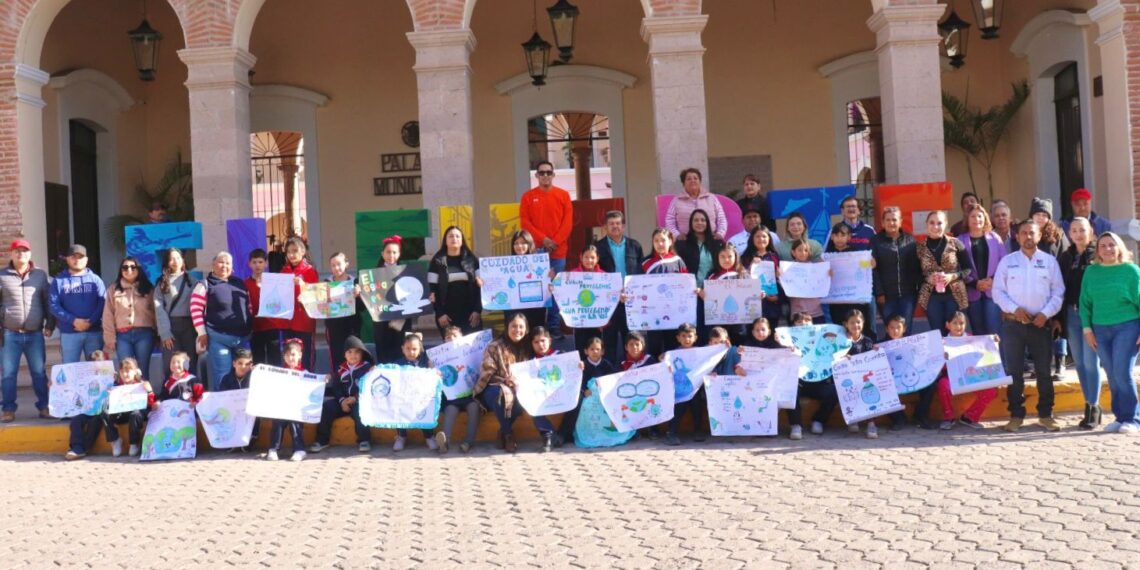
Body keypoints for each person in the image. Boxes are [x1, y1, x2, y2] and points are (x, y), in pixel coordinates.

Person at [992, 221, 1065, 433]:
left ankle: (1045, 415)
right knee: (1014, 371)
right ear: (1017, 237)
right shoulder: (1007, 262)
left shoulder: (1050, 262)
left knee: (1043, 371)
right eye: (1023, 233)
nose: (1027, 236)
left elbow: (1058, 293)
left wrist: (1046, 314)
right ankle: (1016, 415)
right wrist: (1014, 309)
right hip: (1013, 325)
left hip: (1040, 324)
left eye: (1031, 232)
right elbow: (998, 292)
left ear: (1039, 235)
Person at [1079, 232, 1140, 434]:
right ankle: (1120, 417)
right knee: (1112, 374)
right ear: (1097, 251)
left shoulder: (1131, 271)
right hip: (1100, 329)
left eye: (1112, 245)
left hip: (1128, 327)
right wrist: (1087, 330)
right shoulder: (1091, 272)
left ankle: (1133, 418)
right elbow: (1085, 303)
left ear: (1119, 247)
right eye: (1103, 246)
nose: (1107, 249)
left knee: (1123, 372)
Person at [475, 313, 552, 453]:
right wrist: (505, 380)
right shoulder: (494, 346)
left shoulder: (528, 346)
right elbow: (487, 373)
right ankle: (509, 434)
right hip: (494, 387)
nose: (517, 330)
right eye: (514, 326)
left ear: (526, 329)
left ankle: (504, 431)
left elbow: (541, 365)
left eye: (521, 327)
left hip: (519, 388)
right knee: (501, 395)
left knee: (522, 398)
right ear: (507, 327)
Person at [0, 239, 54, 422]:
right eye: (17, 251)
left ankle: (44, 406)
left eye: (24, 251)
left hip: (34, 333)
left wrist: (50, 325)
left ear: (30, 254)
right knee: (8, 373)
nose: (20, 254)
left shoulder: (39, 275)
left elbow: (47, 301)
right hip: (10, 333)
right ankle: (8, 409)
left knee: (39, 372)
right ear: (11, 254)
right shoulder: (2, 275)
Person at [520, 160, 573, 336]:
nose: (545, 176)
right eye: (541, 173)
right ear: (536, 175)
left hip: (558, 252)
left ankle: (554, 328)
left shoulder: (563, 195)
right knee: (536, 289)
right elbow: (525, 222)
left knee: (555, 290)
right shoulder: (527, 196)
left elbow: (568, 222)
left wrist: (554, 241)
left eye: (548, 172)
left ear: (553, 175)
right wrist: (544, 240)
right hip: (536, 252)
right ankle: (537, 328)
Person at [1058, 218, 1101, 429]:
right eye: (1073, 230)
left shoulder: (1097, 254)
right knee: (1081, 363)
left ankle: (1094, 406)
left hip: (1091, 316)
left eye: (1082, 230)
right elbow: (1060, 287)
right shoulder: (1066, 256)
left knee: (1091, 362)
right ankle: (1088, 403)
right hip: (1071, 314)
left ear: (1090, 231)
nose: (1077, 233)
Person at [190, 252, 253, 391]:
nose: (224, 266)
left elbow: (249, 307)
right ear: (213, 265)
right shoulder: (204, 285)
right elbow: (195, 310)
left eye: (228, 263)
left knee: (246, 374)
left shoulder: (240, 283)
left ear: (232, 267)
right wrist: (201, 332)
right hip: (219, 338)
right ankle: (224, 410)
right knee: (223, 376)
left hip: (243, 337)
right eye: (221, 262)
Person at [934, 311, 998, 430]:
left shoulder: (972, 339)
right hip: (951, 377)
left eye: (962, 323)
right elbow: (937, 366)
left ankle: (969, 417)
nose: (959, 327)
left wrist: (993, 342)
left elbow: (984, 353)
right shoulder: (942, 342)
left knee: (991, 390)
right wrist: (943, 360)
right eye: (955, 323)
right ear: (947, 325)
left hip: (972, 377)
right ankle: (949, 417)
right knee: (943, 385)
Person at [738, 316, 801, 439]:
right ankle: (765, 426)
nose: (760, 332)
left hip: (778, 381)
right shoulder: (748, 346)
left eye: (763, 329)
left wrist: (790, 348)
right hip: (760, 384)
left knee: (792, 390)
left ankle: (796, 425)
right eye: (757, 330)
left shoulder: (778, 343)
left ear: (769, 331)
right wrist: (739, 353)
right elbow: (742, 364)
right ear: (752, 332)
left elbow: (792, 356)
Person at [311, 336, 373, 453]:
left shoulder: (367, 368)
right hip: (343, 402)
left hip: (359, 401)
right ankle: (322, 440)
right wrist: (342, 401)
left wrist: (355, 398)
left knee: (360, 411)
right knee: (327, 407)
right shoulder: (340, 369)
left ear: (362, 353)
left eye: (356, 352)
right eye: (349, 352)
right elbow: (336, 388)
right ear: (344, 355)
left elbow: (369, 387)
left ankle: (364, 440)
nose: (353, 355)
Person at [594, 210, 644, 359]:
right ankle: (610, 372)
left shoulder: (634, 245)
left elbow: (641, 271)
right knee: (608, 340)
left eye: (618, 223)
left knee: (632, 339)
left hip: (630, 300)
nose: (615, 227)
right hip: (608, 300)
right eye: (611, 224)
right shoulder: (598, 247)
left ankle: (632, 369)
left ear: (623, 226)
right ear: (605, 227)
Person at [880, 314, 940, 430]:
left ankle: (920, 415)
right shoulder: (880, 345)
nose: (895, 331)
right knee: (880, 387)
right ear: (886, 329)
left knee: (931, 385)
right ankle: (898, 418)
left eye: (898, 327)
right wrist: (875, 352)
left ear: (904, 328)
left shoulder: (913, 343)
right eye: (892, 328)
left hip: (913, 377)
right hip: (893, 380)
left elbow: (925, 357)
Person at [103, 257, 157, 384]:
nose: (129, 270)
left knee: (142, 370)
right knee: (125, 370)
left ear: (138, 269)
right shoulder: (113, 289)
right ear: (121, 270)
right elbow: (108, 314)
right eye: (125, 267)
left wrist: (159, 334)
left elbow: (156, 312)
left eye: (133, 267)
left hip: (144, 335)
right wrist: (109, 337)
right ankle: (127, 401)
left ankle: (144, 401)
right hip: (122, 336)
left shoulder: (148, 289)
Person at [572, 336, 632, 449]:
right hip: (589, 395)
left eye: (598, 349)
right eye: (592, 349)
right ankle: (590, 433)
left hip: (604, 394)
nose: (595, 352)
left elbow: (612, 380)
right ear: (586, 351)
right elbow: (579, 381)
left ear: (602, 351)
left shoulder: (607, 364)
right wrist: (584, 390)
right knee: (586, 406)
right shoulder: (583, 366)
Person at [50, 244, 105, 364]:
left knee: (96, 370)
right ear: (67, 259)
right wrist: (73, 320)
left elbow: (102, 303)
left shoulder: (95, 280)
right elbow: (54, 306)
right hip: (69, 333)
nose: (77, 260)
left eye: (80, 257)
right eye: (73, 257)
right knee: (70, 370)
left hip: (93, 332)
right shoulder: (58, 281)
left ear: (86, 259)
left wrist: (90, 321)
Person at [957, 204, 1007, 336]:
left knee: (994, 332)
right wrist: (974, 283)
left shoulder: (995, 238)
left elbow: (1004, 263)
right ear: (967, 219)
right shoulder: (959, 240)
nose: (976, 219)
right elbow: (958, 267)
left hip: (993, 291)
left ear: (985, 218)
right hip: (972, 292)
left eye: (980, 216)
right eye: (973, 216)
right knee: (979, 334)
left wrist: (992, 280)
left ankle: (998, 357)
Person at [788, 311, 842, 435]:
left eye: (807, 321)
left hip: (818, 382)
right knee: (790, 390)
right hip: (798, 382)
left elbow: (836, 350)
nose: (803, 324)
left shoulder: (822, 341)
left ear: (813, 324)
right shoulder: (788, 342)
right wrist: (784, 347)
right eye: (799, 321)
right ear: (793, 325)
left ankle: (818, 420)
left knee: (834, 391)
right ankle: (796, 425)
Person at [917, 211, 969, 336]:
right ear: (926, 224)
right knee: (937, 334)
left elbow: (968, 269)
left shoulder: (955, 243)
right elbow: (914, 273)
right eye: (932, 223)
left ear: (946, 224)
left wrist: (953, 276)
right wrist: (927, 278)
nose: (935, 226)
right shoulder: (919, 248)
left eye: (939, 223)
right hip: (931, 298)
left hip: (955, 296)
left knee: (956, 333)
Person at [638, 228, 689, 356]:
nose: (660, 244)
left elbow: (686, 284)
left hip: (673, 313)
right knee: (653, 347)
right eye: (656, 241)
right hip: (653, 313)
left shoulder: (678, 261)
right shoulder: (645, 263)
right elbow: (637, 286)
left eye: (663, 240)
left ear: (670, 241)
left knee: (672, 346)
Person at [677, 209, 725, 340]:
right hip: (692, 293)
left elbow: (726, 263)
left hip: (714, 293)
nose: (700, 223)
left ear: (708, 223)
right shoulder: (683, 244)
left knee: (714, 330)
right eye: (696, 220)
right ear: (691, 223)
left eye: (703, 220)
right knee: (695, 330)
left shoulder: (717, 243)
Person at [154, 248, 198, 392]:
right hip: (170, 326)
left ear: (183, 260)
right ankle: (169, 396)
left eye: (178, 258)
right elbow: (159, 308)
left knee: (190, 363)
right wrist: (165, 333)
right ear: (167, 262)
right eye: (171, 258)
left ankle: (192, 395)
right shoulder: (161, 283)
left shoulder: (193, 281)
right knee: (170, 363)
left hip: (190, 327)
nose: (175, 261)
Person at [432, 326, 481, 454]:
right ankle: (445, 442)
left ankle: (468, 442)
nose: (451, 338)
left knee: (474, 408)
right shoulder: (438, 357)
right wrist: (433, 369)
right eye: (448, 337)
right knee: (450, 411)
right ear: (444, 341)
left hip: (470, 395)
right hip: (452, 398)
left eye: (455, 336)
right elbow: (432, 374)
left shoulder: (470, 352)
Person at [870, 207, 920, 333]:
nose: (891, 223)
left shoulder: (910, 240)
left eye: (894, 219)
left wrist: (918, 289)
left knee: (906, 329)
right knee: (891, 331)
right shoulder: (875, 241)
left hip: (908, 295)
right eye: (888, 220)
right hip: (886, 297)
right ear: (882, 223)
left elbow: (916, 266)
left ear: (900, 221)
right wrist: (879, 292)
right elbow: (872, 269)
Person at [429, 226, 482, 337]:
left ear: (462, 240)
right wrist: (440, 313)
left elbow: (481, 288)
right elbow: (432, 290)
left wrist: (477, 310)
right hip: (447, 316)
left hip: (471, 315)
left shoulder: (472, 260)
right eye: (451, 236)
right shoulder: (436, 261)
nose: (454, 238)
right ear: (445, 240)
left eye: (458, 236)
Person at [392, 333, 441, 452]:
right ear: (402, 349)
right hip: (405, 397)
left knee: (425, 410)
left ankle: (429, 436)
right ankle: (401, 436)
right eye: (408, 349)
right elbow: (388, 373)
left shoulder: (427, 361)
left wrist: (434, 371)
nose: (411, 352)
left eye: (414, 349)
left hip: (422, 397)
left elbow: (434, 373)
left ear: (420, 349)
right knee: (399, 408)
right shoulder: (397, 364)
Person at [825, 223, 874, 337]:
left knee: (858, 328)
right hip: (837, 301)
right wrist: (825, 273)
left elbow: (868, 265)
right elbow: (820, 275)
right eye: (836, 235)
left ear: (849, 237)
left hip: (855, 299)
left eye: (843, 235)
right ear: (832, 237)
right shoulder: (827, 256)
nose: (839, 238)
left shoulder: (856, 253)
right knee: (840, 328)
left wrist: (870, 262)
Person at [278, 237, 319, 370]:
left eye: (295, 251)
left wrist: (303, 286)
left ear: (302, 252)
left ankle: (308, 385)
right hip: (287, 321)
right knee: (288, 356)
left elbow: (316, 295)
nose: (291, 255)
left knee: (305, 357)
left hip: (304, 322)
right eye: (289, 252)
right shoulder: (283, 271)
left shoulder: (310, 271)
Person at [663, 323, 706, 446]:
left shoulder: (700, 352)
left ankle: (698, 430)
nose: (687, 339)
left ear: (695, 338)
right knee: (679, 408)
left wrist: (724, 346)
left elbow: (713, 356)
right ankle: (671, 433)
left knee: (697, 406)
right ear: (678, 338)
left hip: (695, 387)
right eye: (683, 336)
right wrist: (663, 359)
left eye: (689, 336)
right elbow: (664, 363)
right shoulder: (673, 354)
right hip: (679, 390)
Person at [266, 338, 310, 461]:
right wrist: (258, 370)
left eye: (293, 354)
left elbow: (312, 387)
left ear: (300, 355)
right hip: (282, 408)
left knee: (295, 423)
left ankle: (299, 449)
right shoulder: (279, 373)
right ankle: (273, 449)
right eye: (287, 355)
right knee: (278, 422)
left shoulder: (305, 373)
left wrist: (324, 379)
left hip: (297, 410)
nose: (290, 358)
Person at [373, 236, 414, 364]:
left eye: (394, 252)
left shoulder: (407, 271)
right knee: (383, 350)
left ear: (399, 254)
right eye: (388, 252)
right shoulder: (373, 274)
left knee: (401, 348)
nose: (391, 255)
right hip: (381, 319)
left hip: (401, 319)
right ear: (382, 254)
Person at [839, 309, 878, 439]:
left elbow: (872, 360)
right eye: (852, 322)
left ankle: (871, 422)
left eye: (858, 322)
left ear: (863, 323)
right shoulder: (842, 342)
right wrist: (843, 357)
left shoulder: (868, 341)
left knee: (869, 393)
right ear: (846, 324)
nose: (855, 325)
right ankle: (853, 418)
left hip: (865, 378)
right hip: (848, 378)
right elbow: (836, 358)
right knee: (849, 391)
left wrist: (876, 352)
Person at [245, 248, 287, 368]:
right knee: (258, 360)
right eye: (254, 262)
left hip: (272, 326)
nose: (257, 265)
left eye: (260, 262)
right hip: (255, 328)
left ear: (266, 263)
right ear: (249, 264)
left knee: (275, 359)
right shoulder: (245, 284)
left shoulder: (274, 282)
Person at [563, 245, 608, 356]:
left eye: (592, 257)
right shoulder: (572, 275)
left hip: (597, 321)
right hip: (580, 321)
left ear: (597, 258)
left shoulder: (604, 276)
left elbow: (609, 296)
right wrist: (554, 286)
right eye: (586, 257)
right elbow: (564, 291)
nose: (589, 260)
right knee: (581, 350)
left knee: (596, 350)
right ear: (581, 257)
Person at [324, 251, 364, 373]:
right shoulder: (326, 284)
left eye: (339, 264)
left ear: (346, 264)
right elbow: (321, 308)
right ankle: (338, 388)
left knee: (354, 356)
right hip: (334, 328)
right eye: (333, 265)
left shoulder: (355, 282)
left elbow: (363, 308)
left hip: (352, 327)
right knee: (337, 357)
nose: (336, 268)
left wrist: (359, 296)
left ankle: (355, 386)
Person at [665, 167, 728, 240]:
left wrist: (720, 233)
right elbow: (669, 221)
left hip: (710, 240)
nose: (692, 181)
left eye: (695, 178)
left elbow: (721, 218)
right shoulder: (676, 201)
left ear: (700, 181)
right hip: (686, 242)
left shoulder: (712, 198)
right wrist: (676, 235)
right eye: (689, 179)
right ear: (683, 183)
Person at [740, 225, 784, 328]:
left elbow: (781, 281)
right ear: (752, 239)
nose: (761, 239)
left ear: (769, 238)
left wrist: (777, 296)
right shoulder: (745, 257)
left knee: (771, 331)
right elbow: (741, 280)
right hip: (751, 303)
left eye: (764, 236)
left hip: (772, 304)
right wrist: (750, 267)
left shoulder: (775, 256)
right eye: (757, 236)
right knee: (753, 332)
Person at [108, 356, 152, 457]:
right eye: (122, 371)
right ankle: (115, 440)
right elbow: (112, 404)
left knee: (135, 414)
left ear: (135, 372)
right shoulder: (117, 386)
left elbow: (151, 403)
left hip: (137, 413)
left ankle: (134, 443)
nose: (125, 374)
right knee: (104, 412)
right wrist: (110, 397)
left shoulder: (141, 384)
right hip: (122, 413)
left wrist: (149, 391)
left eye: (128, 371)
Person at [505, 230, 548, 333]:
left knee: (534, 335)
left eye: (523, 243)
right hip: (513, 308)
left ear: (530, 244)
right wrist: (484, 284)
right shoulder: (505, 265)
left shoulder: (540, 263)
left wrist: (550, 278)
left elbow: (549, 287)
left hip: (535, 309)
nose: (520, 246)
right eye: (516, 243)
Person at [217, 348, 259, 449]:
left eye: (247, 364)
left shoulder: (255, 377)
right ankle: (231, 439)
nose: (243, 367)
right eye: (240, 363)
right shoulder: (226, 379)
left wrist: (257, 374)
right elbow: (222, 398)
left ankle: (251, 438)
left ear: (251, 365)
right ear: (234, 364)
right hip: (233, 412)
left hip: (248, 412)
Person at [784, 239, 827, 324]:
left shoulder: (815, 268)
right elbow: (785, 288)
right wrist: (781, 276)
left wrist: (827, 274)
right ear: (793, 252)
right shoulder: (787, 269)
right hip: (798, 312)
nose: (803, 253)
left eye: (806, 250)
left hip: (815, 311)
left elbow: (823, 283)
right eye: (800, 250)